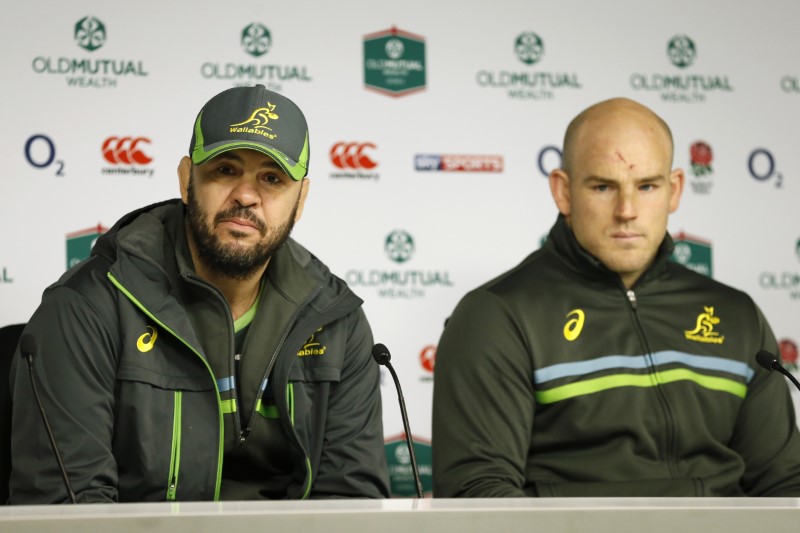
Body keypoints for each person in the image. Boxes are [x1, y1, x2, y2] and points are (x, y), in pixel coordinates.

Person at [10, 85, 390, 502]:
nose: (246, 196)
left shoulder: (336, 320)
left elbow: (351, 506)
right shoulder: (88, 306)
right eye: (225, 170)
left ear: (300, 200)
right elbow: (72, 509)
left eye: (271, 178)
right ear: (186, 178)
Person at [431, 97, 800, 497]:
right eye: (604, 186)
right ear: (563, 191)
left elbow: (784, 485)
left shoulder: (735, 315)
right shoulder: (497, 316)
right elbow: (480, 497)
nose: (627, 210)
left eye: (647, 186)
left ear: (674, 190)